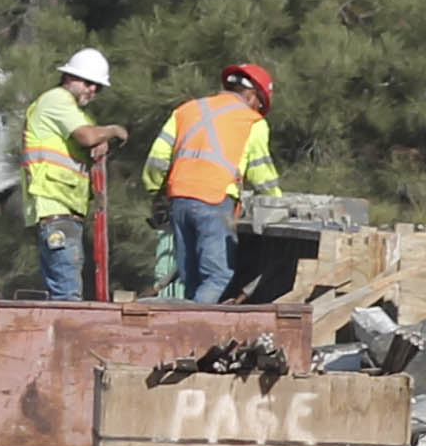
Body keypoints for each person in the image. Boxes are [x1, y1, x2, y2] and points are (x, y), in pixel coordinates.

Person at [142, 60, 281, 303]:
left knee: (191, 278)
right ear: (251, 95)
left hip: (180, 201)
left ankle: (183, 330)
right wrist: (277, 203)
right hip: (215, 201)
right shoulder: (252, 122)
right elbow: (262, 174)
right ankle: (195, 332)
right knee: (217, 276)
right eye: (260, 104)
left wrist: (157, 191)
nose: (258, 110)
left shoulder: (185, 111)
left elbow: (157, 159)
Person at [23, 47, 124, 301]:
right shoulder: (57, 100)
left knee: (63, 293)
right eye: (89, 83)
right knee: (67, 296)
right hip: (55, 209)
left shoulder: (77, 113)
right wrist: (113, 130)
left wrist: (101, 141)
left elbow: (90, 139)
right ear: (70, 78)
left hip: (65, 211)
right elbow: (87, 136)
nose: (92, 91)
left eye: (98, 87)